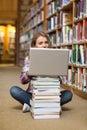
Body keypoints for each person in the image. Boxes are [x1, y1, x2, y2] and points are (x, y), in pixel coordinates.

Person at [10, 31, 73, 113]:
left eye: (46, 42)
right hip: (33, 94)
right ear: (35, 45)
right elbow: (22, 81)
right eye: (40, 43)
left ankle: (31, 105)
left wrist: (56, 72)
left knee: (69, 94)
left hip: (51, 94)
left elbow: (62, 81)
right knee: (14, 90)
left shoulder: (55, 57)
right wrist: (30, 73)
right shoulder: (29, 59)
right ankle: (52, 106)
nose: (44, 45)